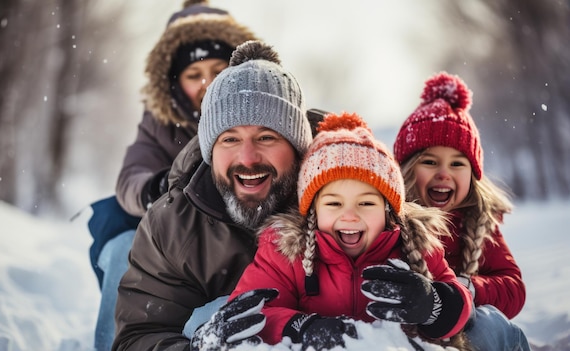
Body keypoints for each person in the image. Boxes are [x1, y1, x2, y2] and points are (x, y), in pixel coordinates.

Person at [196, 112, 473, 350]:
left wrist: (432, 305)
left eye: (366, 203)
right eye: (334, 203)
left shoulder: (416, 248)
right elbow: (248, 314)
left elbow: (459, 306)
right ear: (314, 211)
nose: (349, 215)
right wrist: (301, 327)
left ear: (388, 211)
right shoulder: (286, 251)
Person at [111, 40, 315, 351]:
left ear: (297, 147)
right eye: (230, 139)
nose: (247, 158)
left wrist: (417, 316)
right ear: (210, 151)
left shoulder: (345, 201)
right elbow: (138, 336)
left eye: (266, 137)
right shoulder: (174, 225)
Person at [86, 2, 257, 350]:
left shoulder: (260, 112)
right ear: (175, 83)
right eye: (194, 75)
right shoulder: (161, 124)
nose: (207, 83)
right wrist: (161, 187)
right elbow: (132, 177)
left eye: (217, 69)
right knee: (123, 248)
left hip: (243, 236)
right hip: (179, 234)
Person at [393, 72, 530, 350]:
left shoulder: (477, 223)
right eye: (430, 162)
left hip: (466, 332)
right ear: (406, 171)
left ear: (472, 174)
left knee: (492, 324)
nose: (444, 173)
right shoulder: (392, 223)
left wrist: (469, 287)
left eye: (457, 164)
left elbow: (513, 288)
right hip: (411, 333)